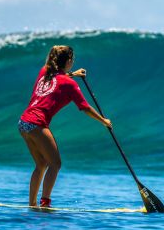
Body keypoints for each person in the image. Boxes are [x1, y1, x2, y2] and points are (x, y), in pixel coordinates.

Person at [18, 45, 112, 207]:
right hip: (36, 123)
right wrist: (104, 121)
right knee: (55, 164)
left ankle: (32, 204)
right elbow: (84, 107)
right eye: (72, 60)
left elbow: (57, 76)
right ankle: (45, 203)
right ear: (68, 61)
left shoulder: (45, 71)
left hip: (23, 122)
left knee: (41, 164)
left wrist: (73, 74)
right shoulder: (69, 84)